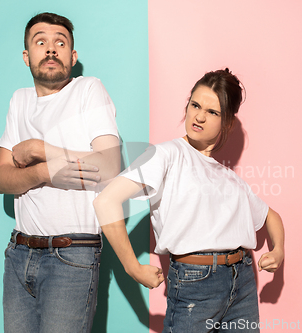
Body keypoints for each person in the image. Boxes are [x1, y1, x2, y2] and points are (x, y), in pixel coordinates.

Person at [93, 69, 284, 332]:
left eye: (213, 112)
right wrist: (133, 267)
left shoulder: (231, 178)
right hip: (195, 283)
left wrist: (278, 250)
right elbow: (106, 202)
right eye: (195, 105)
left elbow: (271, 217)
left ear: (226, 122)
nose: (199, 116)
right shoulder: (165, 155)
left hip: (243, 282)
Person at [0, 13, 120, 333]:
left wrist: (39, 149)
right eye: (41, 42)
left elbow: (109, 166)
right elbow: (1, 180)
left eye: (60, 43)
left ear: (72, 56)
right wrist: (46, 173)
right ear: (27, 56)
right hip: (19, 253)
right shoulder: (19, 100)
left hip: (73, 254)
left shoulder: (88, 89)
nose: (51, 49)